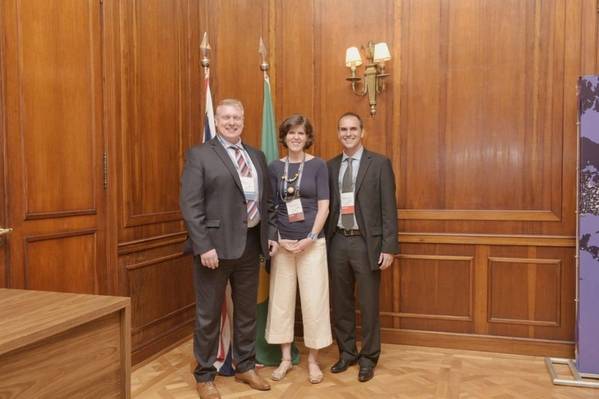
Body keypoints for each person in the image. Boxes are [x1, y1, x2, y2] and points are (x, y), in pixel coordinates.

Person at [180, 98, 279, 399]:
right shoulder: (200, 155)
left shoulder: (256, 155)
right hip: (214, 249)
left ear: (244, 119)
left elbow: (267, 202)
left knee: (247, 312)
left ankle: (245, 366)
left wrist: (270, 234)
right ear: (217, 120)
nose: (232, 122)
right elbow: (190, 204)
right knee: (208, 314)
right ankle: (205, 374)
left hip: (251, 245)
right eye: (226, 117)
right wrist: (203, 246)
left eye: (237, 117)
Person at [325, 112, 398, 383]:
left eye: (353, 128)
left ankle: (368, 357)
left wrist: (389, 247)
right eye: (343, 129)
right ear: (338, 133)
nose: (348, 133)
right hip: (337, 242)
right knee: (341, 303)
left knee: (368, 305)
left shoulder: (379, 164)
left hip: (367, 244)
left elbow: (389, 209)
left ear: (362, 132)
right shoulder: (330, 166)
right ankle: (346, 353)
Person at [265, 114, 332, 384]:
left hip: (312, 244)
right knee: (281, 301)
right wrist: (279, 238)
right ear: (284, 137)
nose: (295, 137)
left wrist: (311, 237)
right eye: (291, 133)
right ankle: (284, 359)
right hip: (283, 244)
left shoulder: (318, 165)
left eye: (300, 133)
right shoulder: (273, 167)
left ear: (307, 137)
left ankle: (313, 361)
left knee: (314, 301)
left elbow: (325, 205)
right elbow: (271, 206)